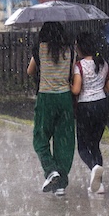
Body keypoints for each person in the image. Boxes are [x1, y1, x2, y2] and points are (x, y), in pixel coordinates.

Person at [26, 22, 76, 197]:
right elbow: (72, 72)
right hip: (65, 98)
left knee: (40, 137)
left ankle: (51, 170)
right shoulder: (69, 49)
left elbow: (30, 71)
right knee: (65, 141)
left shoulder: (39, 49)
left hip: (46, 97)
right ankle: (60, 182)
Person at [71, 32, 109, 194]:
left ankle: (94, 167)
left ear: (81, 48)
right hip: (102, 106)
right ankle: (99, 184)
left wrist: (66, 85)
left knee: (83, 147)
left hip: (85, 108)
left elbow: (76, 89)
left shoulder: (79, 66)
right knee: (95, 145)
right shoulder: (103, 64)